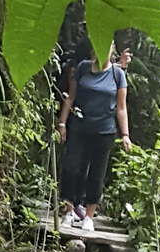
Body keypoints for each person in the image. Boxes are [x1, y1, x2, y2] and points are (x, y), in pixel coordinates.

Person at [57, 41, 132, 233]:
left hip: (104, 131)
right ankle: (68, 211)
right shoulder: (83, 68)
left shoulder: (117, 75)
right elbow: (71, 97)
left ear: (111, 50)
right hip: (79, 128)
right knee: (71, 168)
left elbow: (121, 107)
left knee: (96, 173)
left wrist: (125, 134)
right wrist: (62, 123)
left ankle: (89, 217)